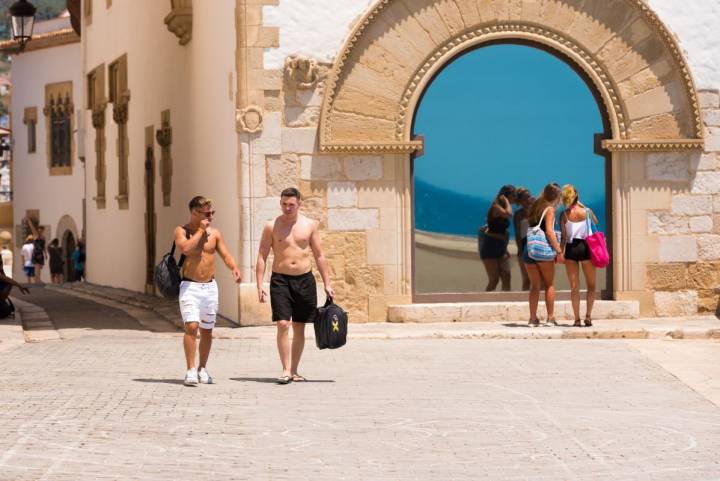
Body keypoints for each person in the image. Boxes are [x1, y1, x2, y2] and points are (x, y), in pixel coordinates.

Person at [256, 187, 335, 384]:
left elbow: (319, 255)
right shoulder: (271, 226)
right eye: (284, 204)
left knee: (299, 326)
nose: (287, 208)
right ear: (280, 204)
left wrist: (327, 283)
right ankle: (285, 369)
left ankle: (294, 370)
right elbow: (262, 255)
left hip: (305, 280)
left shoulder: (309, 225)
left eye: (291, 204)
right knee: (283, 324)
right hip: (280, 280)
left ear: (299, 203)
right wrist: (259, 284)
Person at [175, 196, 241, 386]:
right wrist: (200, 232)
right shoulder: (182, 231)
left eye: (212, 213)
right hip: (190, 286)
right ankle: (190, 370)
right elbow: (185, 249)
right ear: (194, 213)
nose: (210, 216)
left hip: (210, 288)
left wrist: (234, 267)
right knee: (192, 326)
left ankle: (202, 368)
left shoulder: (215, 234)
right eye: (206, 213)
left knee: (206, 330)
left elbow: (225, 254)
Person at [523, 183, 564, 327]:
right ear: (557, 196)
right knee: (549, 284)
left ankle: (532, 319)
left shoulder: (535, 206)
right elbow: (549, 231)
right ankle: (550, 318)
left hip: (529, 250)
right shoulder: (550, 209)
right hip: (542, 251)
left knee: (535, 286)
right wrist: (559, 250)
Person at [560, 184, 599, 327]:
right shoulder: (587, 211)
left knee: (574, 287)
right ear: (576, 196)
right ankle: (588, 316)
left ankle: (576, 319)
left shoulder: (563, 214)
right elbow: (596, 222)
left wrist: (559, 253)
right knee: (591, 285)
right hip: (585, 247)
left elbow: (564, 237)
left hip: (571, 249)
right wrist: (581, 204)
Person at [480, 185, 515, 291]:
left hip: (502, 247)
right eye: (514, 195)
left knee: (507, 278)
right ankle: (484, 302)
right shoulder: (496, 206)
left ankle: (506, 301)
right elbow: (508, 214)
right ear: (508, 195)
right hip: (490, 246)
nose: (515, 198)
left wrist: (506, 248)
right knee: (494, 279)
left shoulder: (502, 206)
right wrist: (507, 201)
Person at [512, 187, 534, 291]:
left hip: (537, 244)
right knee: (526, 279)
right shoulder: (519, 214)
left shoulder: (537, 210)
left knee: (541, 279)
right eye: (526, 197)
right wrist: (520, 250)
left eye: (529, 196)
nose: (528, 199)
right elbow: (518, 233)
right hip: (525, 245)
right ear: (520, 201)